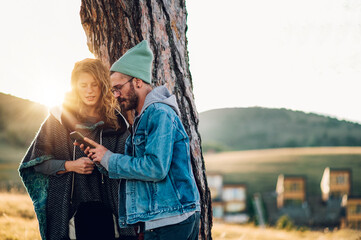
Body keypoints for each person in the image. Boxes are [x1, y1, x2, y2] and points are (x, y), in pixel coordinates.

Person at [80, 40, 201, 240]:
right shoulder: (144, 117)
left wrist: (109, 158)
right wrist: (101, 159)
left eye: (118, 88)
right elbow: (137, 169)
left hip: (169, 220)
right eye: (113, 90)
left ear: (137, 81)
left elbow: (155, 167)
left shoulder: (158, 113)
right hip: (165, 218)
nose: (116, 95)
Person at [19, 59, 137, 240]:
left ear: (103, 86)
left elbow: (130, 167)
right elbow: (35, 164)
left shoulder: (117, 124)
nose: (89, 90)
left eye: (94, 85)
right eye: (83, 85)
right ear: (75, 87)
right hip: (68, 214)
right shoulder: (58, 120)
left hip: (111, 214)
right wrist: (70, 165)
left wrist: (106, 159)